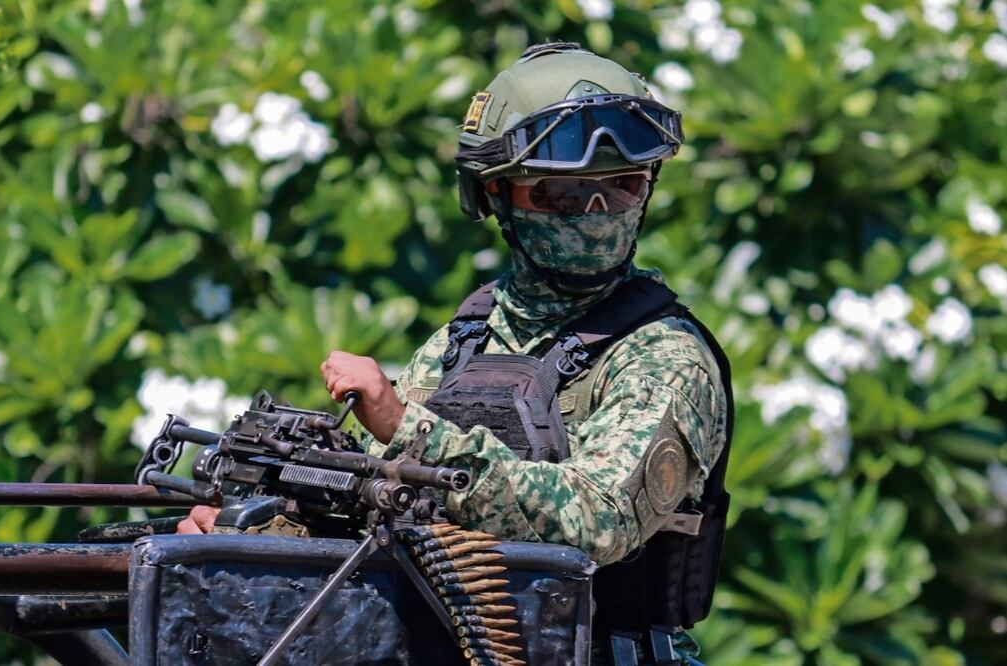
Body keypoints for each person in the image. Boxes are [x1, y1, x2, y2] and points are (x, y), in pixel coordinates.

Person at [180, 42, 732, 666]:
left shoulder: (665, 356)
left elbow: (598, 521)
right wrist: (255, 529)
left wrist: (403, 425)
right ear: (495, 195)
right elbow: (374, 499)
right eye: (558, 194)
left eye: (622, 186)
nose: (595, 214)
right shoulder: (466, 338)